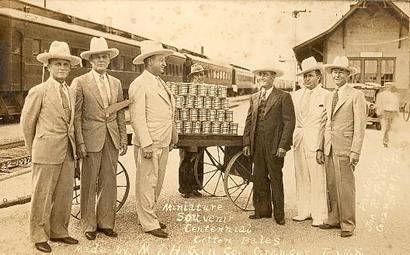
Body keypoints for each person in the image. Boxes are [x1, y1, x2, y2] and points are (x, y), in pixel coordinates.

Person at [21, 41, 81, 253]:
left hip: (67, 150)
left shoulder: (70, 91)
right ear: (48, 66)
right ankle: (38, 236)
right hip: (46, 151)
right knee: (42, 195)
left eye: (66, 64)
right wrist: (34, 149)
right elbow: (27, 124)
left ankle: (59, 231)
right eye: (58, 64)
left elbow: (71, 122)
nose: (62, 68)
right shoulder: (39, 91)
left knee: (64, 193)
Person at [72, 37, 128, 241]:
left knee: (109, 180)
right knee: (88, 182)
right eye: (98, 57)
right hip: (89, 139)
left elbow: (120, 112)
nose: (102, 60)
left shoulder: (116, 82)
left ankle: (106, 223)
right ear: (90, 60)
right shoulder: (80, 82)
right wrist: (79, 142)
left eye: (105, 56)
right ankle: (88, 224)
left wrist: (123, 137)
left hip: (111, 138)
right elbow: (76, 116)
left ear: (109, 60)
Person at [128, 40, 178, 238]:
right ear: (149, 62)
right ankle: (148, 223)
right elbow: (137, 116)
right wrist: (146, 143)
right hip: (150, 142)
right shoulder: (139, 84)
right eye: (161, 60)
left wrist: (173, 135)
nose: (164, 63)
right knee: (147, 182)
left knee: (156, 182)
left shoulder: (159, 81)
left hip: (163, 140)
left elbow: (168, 111)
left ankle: (149, 216)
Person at [317, 56, 366, 238]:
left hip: (345, 147)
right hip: (329, 146)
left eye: (341, 72)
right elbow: (324, 123)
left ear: (348, 75)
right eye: (334, 72)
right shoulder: (329, 96)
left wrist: (355, 150)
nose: (337, 75)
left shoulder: (356, 96)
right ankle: (333, 218)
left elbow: (360, 126)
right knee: (331, 184)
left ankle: (348, 224)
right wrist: (320, 147)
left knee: (346, 186)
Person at [242, 65, 295, 225]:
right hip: (257, 144)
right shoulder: (255, 97)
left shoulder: (283, 97)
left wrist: (283, 146)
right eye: (260, 75)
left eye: (266, 75)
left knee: (276, 178)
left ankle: (279, 215)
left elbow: (289, 122)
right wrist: (246, 142)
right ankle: (262, 211)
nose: (262, 78)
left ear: (273, 77)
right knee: (259, 178)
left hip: (274, 145)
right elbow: (249, 120)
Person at [291, 57, 330, 227]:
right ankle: (304, 211)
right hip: (299, 140)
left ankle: (319, 215)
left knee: (318, 179)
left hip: (316, 142)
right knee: (301, 177)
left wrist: (323, 146)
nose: (306, 79)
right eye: (304, 76)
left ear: (318, 77)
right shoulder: (297, 95)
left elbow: (328, 123)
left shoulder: (327, 95)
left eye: (310, 75)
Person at [178, 63, 206, 198]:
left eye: (201, 74)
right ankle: (184, 188)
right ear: (192, 77)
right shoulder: (186, 90)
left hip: (201, 129)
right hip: (187, 129)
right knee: (187, 158)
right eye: (197, 75)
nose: (200, 77)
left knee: (199, 158)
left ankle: (196, 186)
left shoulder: (206, 90)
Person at [375, 82, 400, 147]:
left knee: (390, 128)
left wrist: (397, 111)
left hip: (392, 112)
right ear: (385, 87)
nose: (388, 87)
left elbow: (396, 104)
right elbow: (378, 103)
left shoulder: (394, 95)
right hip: (384, 112)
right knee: (385, 127)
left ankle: (387, 140)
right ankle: (385, 141)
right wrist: (379, 112)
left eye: (390, 86)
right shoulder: (381, 95)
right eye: (387, 86)